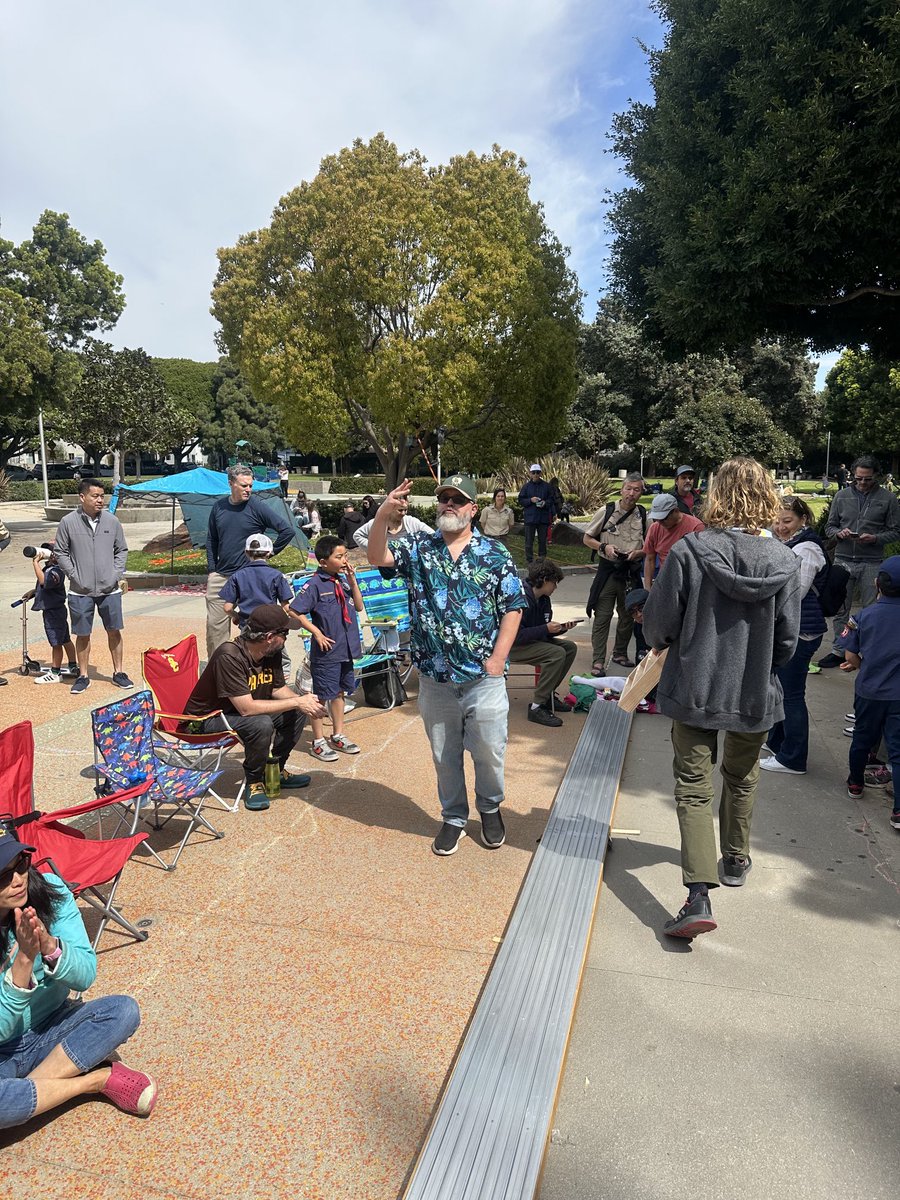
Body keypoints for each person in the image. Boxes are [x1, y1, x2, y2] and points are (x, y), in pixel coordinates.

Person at [642, 457, 801, 938]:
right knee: (742, 774)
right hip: (754, 690)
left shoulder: (690, 551)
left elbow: (659, 626)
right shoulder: (785, 561)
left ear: (717, 494)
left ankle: (697, 895)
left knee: (693, 786)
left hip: (695, 685)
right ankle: (734, 856)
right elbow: (788, 642)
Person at [367, 474, 526, 855]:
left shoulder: (494, 554)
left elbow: (513, 608)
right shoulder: (420, 548)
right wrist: (384, 513)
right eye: (444, 499)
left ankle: (489, 808)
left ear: (473, 509)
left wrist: (497, 659)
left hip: (482, 678)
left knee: (489, 751)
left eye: (458, 500)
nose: (449, 505)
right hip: (436, 679)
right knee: (444, 755)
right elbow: (376, 556)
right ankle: (454, 816)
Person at [0, 824, 157, 1128]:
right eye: (3, 875)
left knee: (123, 1011)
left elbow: (85, 975)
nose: (18, 880)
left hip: (54, 1024)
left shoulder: (51, 892)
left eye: (20, 864)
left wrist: (48, 945)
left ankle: (33, 1092)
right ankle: (92, 1081)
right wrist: (23, 961)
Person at [184, 605, 325, 811]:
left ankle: (275, 770)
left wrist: (306, 702)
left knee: (296, 710)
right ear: (269, 636)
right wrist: (297, 701)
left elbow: (277, 689)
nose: (286, 638)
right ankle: (254, 781)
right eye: (284, 633)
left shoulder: (271, 651)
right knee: (260, 723)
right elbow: (247, 709)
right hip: (202, 722)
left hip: (234, 713)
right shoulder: (229, 655)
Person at [759, 498, 828, 775]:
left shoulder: (808, 548)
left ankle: (794, 758)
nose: (780, 527)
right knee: (780, 688)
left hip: (803, 631)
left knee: (792, 694)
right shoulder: (789, 544)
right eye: (776, 521)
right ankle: (778, 742)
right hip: (791, 628)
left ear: (802, 519)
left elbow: (795, 592)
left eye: (787, 521)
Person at [206, 465, 296, 659]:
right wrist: (212, 569)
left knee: (261, 628)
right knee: (215, 631)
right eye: (244, 485)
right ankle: (220, 670)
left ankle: (269, 668)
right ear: (231, 484)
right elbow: (211, 539)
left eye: (250, 486)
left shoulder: (256, 506)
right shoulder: (219, 507)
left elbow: (287, 530)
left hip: (251, 577)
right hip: (221, 576)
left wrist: (268, 555)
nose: (248, 489)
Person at [818, 455, 900, 667]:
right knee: (839, 608)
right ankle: (839, 650)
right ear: (853, 476)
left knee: (872, 609)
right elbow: (829, 527)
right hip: (843, 559)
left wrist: (875, 538)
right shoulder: (842, 496)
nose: (862, 483)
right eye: (858, 478)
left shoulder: (887, 499)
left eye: (868, 479)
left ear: (877, 477)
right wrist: (839, 533)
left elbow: (896, 530)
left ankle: (867, 651)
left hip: (872, 560)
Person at [53, 477, 131, 696]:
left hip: (110, 589)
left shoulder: (112, 521)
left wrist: (115, 573)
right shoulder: (68, 522)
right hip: (80, 590)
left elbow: (122, 550)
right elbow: (60, 552)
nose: (100, 501)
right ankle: (84, 675)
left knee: (114, 631)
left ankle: (119, 673)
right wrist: (74, 575)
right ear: (82, 497)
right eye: (95, 496)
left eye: (102, 496)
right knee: (83, 633)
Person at [290, 536, 364, 762]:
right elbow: (295, 611)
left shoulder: (342, 581)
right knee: (320, 695)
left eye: (345, 556)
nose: (344, 560)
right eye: (338, 556)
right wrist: (317, 632)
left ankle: (338, 734)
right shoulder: (314, 584)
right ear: (323, 562)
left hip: (346, 649)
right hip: (326, 651)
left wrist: (352, 581)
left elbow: (359, 607)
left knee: (339, 692)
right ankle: (318, 741)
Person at [841, 556, 900, 831]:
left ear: (877, 583)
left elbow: (850, 655)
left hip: (869, 691)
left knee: (862, 739)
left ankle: (855, 783)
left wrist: (864, 668)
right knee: (897, 751)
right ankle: (898, 811)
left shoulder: (863, 616)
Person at [582, 473, 646, 673]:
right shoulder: (607, 510)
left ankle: (620, 652)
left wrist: (639, 553)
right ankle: (598, 659)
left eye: (636, 490)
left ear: (641, 492)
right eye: (628, 488)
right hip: (608, 571)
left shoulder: (643, 515)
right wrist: (604, 547)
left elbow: (650, 546)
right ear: (622, 489)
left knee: (628, 615)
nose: (631, 493)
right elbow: (586, 538)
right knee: (602, 615)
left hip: (630, 572)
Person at [507, 559, 579, 728]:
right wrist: (546, 629)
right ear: (545, 580)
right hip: (511, 646)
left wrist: (560, 628)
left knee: (569, 648)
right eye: (555, 582)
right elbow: (516, 635)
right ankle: (537, 706)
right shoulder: (520, 598)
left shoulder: (544, 599)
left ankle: (547, 695)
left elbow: (541, 627)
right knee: (556, 654)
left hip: (530, 641)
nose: (556, 587)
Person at [219, 535, 293, 629]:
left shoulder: (237, 576)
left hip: (247, 626)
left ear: (246, 552)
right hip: (270, 625)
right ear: (269, 553)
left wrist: (236, 616)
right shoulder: (276, 575)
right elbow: (286, 607)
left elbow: (227, 608)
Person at [30, 542, 78, 684]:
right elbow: (44, 586)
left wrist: (35, 563)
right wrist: (33, 593)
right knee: (65, 639)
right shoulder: (51, 568)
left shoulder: (56, 571)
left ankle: (55, 672)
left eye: (52, 553)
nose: (49, 555)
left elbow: (44, 581)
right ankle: (72, 665)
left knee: (56, 642)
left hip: (53, 611)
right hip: (57, 610)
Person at [641, 493, 704, 590]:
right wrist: (648, 589)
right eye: (656, 519)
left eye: (664, 518)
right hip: (665, 581)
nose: (660, 522)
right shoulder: (655, 528)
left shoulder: (695, 527)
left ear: (676, 511)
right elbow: (649, 558)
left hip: (688, 583)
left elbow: (701, 561)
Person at [353, 495, 433, 549]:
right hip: (382, 568)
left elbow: (433, 535)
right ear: (391, 508)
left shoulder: (411, 522)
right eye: (400, 510)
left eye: (406, 510)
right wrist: (376, 548)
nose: (404, 513)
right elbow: (357, 535)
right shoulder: (376, 523)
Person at [517, 464, 556, 563]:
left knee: (542, 541)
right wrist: (531, 500)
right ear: (530, 473)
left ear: (540, 473)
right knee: (529, 542)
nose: (535, 475)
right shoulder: (526, 487)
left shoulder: (547, 486)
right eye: (533, 472)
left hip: (542, 518)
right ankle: (529, 561)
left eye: (537, 472)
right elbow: (521, 500)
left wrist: (545, 503)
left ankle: (541, 561)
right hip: (530, 518)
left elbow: (552, 499)